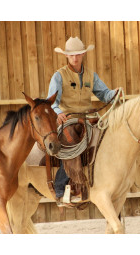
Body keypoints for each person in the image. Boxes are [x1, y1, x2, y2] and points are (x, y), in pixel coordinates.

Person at [47, 36, 118, 199]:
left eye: (78, 54)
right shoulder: (59, 76)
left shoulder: (91, 76)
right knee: (72, 142)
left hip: (88, 118)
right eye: (71, 55)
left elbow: (104, 95)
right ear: (66, 56)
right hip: (68, 119)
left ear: (83, 54)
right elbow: (52, 102)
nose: (75, 57)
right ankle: (60, 183)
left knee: (109, 135)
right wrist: (59, 113)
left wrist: (114, 93)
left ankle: (104, 179)